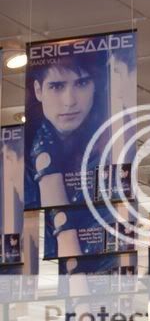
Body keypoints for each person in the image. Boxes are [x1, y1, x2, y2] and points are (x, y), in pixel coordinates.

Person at [26, 53, 109, 208]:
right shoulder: (22, 156)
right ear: (38, 91)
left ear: (95, 87)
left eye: (82, 83)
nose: (70, 101)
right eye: (57, 86)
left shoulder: (111, 142)